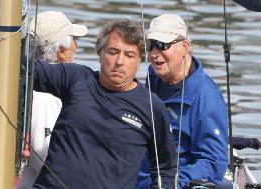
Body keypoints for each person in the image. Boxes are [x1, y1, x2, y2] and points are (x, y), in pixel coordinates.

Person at [31, 19, 177, 188]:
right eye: (113, 52)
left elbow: (165, 169)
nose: (120, 61)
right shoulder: (76, 78)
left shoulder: (152, 107)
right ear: (100, 54)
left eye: (129, 55)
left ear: (139, 62)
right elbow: (25, 69)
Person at [136, 14, 229, 189]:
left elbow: (214, 161)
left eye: (163, 45)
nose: (155, 54)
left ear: (185, 47)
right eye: (152, 45)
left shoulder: (207, 97)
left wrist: (172, 183)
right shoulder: (153, 76)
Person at [16, 11, 88, 189]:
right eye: (74, 40)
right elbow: (45, 156)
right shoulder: (46, 97)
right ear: (62, 52)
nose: (76, 46)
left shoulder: (31, 87)